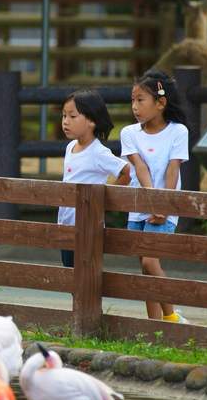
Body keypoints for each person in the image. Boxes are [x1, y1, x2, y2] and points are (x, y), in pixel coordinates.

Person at [120, 70, 190, 323]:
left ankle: (171, 316)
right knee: (145, 268)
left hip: (166, 207)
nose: (135, 107)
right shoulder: (129, 133)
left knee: (151, 262)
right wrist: (152, 202)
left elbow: (174, 169)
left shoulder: (178, 131)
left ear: (160, 103)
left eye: (141, 100)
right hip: (137, 208)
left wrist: (163, 206)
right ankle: (154, 323)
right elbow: (140, 168)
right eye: (132, 100)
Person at [57, 89, 131, 269]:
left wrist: (104, 198)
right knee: (69, 273)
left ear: (91, 120)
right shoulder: (71, 147)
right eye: (64, 116)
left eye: (72, 116)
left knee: (85, 276)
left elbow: (127, 171)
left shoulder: (99, 152)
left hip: (88, 226)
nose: (66, 121)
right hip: (65, 223)